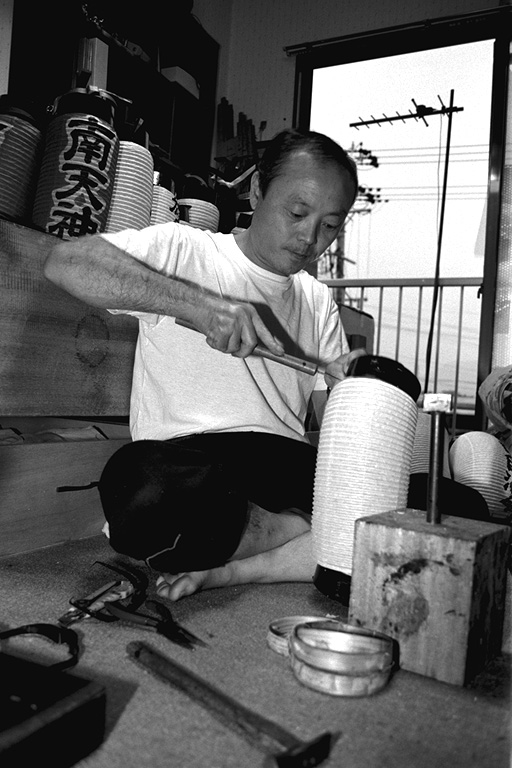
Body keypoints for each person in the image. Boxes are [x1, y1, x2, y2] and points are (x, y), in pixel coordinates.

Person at [44, 128, 364, 601]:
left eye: (330, 225)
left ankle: (244, 561)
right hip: (196, 469)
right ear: (257, 190)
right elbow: (64, 262)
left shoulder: (316, 300)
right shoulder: (186, 249)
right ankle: (300, 534)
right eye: (297, 213)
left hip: (286, 467)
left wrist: (354, 392)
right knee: (141, 490)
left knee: (447, 504)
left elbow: (336, 436)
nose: (309, 238)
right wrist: (198, 306)